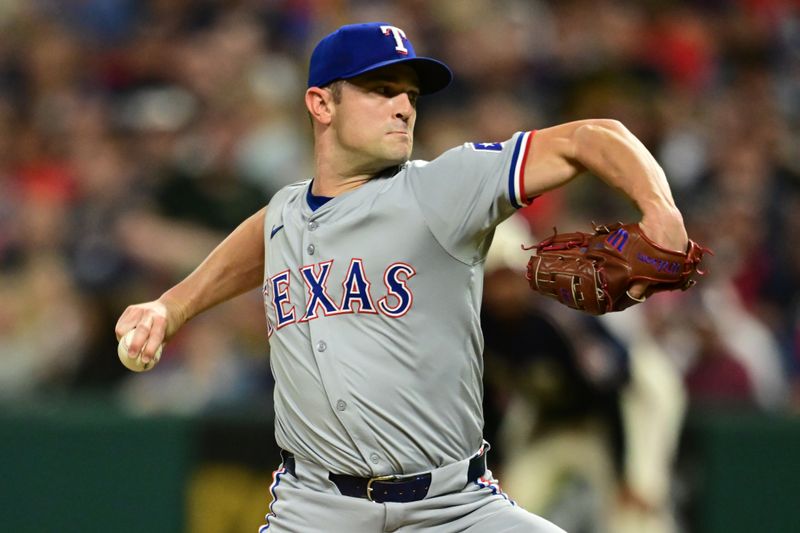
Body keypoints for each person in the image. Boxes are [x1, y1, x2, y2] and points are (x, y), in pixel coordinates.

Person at [115, 22, 689, 532]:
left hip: (453, 509)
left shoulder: (443, 188)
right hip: (315, 509)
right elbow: (262, 237)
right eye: (381, 90)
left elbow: (593, 137)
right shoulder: (286, 213)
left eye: (410, 95)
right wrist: (173, 306)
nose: (404, 107)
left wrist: (660, 211)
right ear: (321, 103)